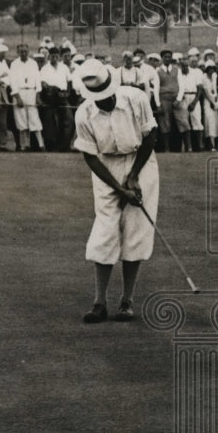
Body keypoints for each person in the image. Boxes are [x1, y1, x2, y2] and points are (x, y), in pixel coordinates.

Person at [72, 59, 159, 324]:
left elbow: (150, 136)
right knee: (105, 230)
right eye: (99, 98)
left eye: (107, 96)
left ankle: (127, 301)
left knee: (135, 229)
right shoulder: (83, 113)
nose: (105, 101)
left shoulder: (136, 98)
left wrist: (133, 177)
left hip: (140, 160)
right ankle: (99, 303)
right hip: (106, 165)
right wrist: (120, 189)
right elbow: (90, 157)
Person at [9, 43, 45, 151]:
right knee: (21, 119)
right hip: (19, 92)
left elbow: (37, 79)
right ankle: (25, 145)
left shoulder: (33, 63)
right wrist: (17, 96)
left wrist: (38, 95)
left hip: (31, 92)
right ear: (17, 52)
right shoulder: (14, 64)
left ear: (28, 52)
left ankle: (41, 145)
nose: (23, 53)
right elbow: (12, 81)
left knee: (34, 118)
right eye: (21, 51)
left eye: (25, 51)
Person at [40, 46, 72, 150]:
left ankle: (64, 145)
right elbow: (42, 82)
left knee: (67, 120)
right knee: (49, 121)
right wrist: (48, 89)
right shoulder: (45, 69)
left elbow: (69, 82)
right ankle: (51, 145)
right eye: (52, 56)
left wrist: (67, 93)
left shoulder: (64, 68)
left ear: (59, 57)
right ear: (49, 56)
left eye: (56, 56)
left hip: (62, 96)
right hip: (50, 96)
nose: (54, 58)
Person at [156, 49, 179, 152]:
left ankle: (179, 147)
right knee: (165, 124)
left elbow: (181, 84)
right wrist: (158, 104)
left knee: (179, 121)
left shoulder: (176, 69)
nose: (167, 59)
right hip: (164, 99)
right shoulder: (158, 71)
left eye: (169, 57)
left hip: (176, 99)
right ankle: (167, 148)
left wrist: (178, 99)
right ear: (162, 58)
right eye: (165, 57)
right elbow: (156, 88)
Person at [201, 60, 218, 150]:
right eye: (210, 69)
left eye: (213, 68)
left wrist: (216, 101)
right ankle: (211, 145)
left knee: (215, 122)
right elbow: (205, 93)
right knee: (209, 122)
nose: (212, 70)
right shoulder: (203, 77)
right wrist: (212, 102)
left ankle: (214, 144)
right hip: (207, 102)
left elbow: (215, 90)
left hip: (215, 103)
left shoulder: (214, 76)